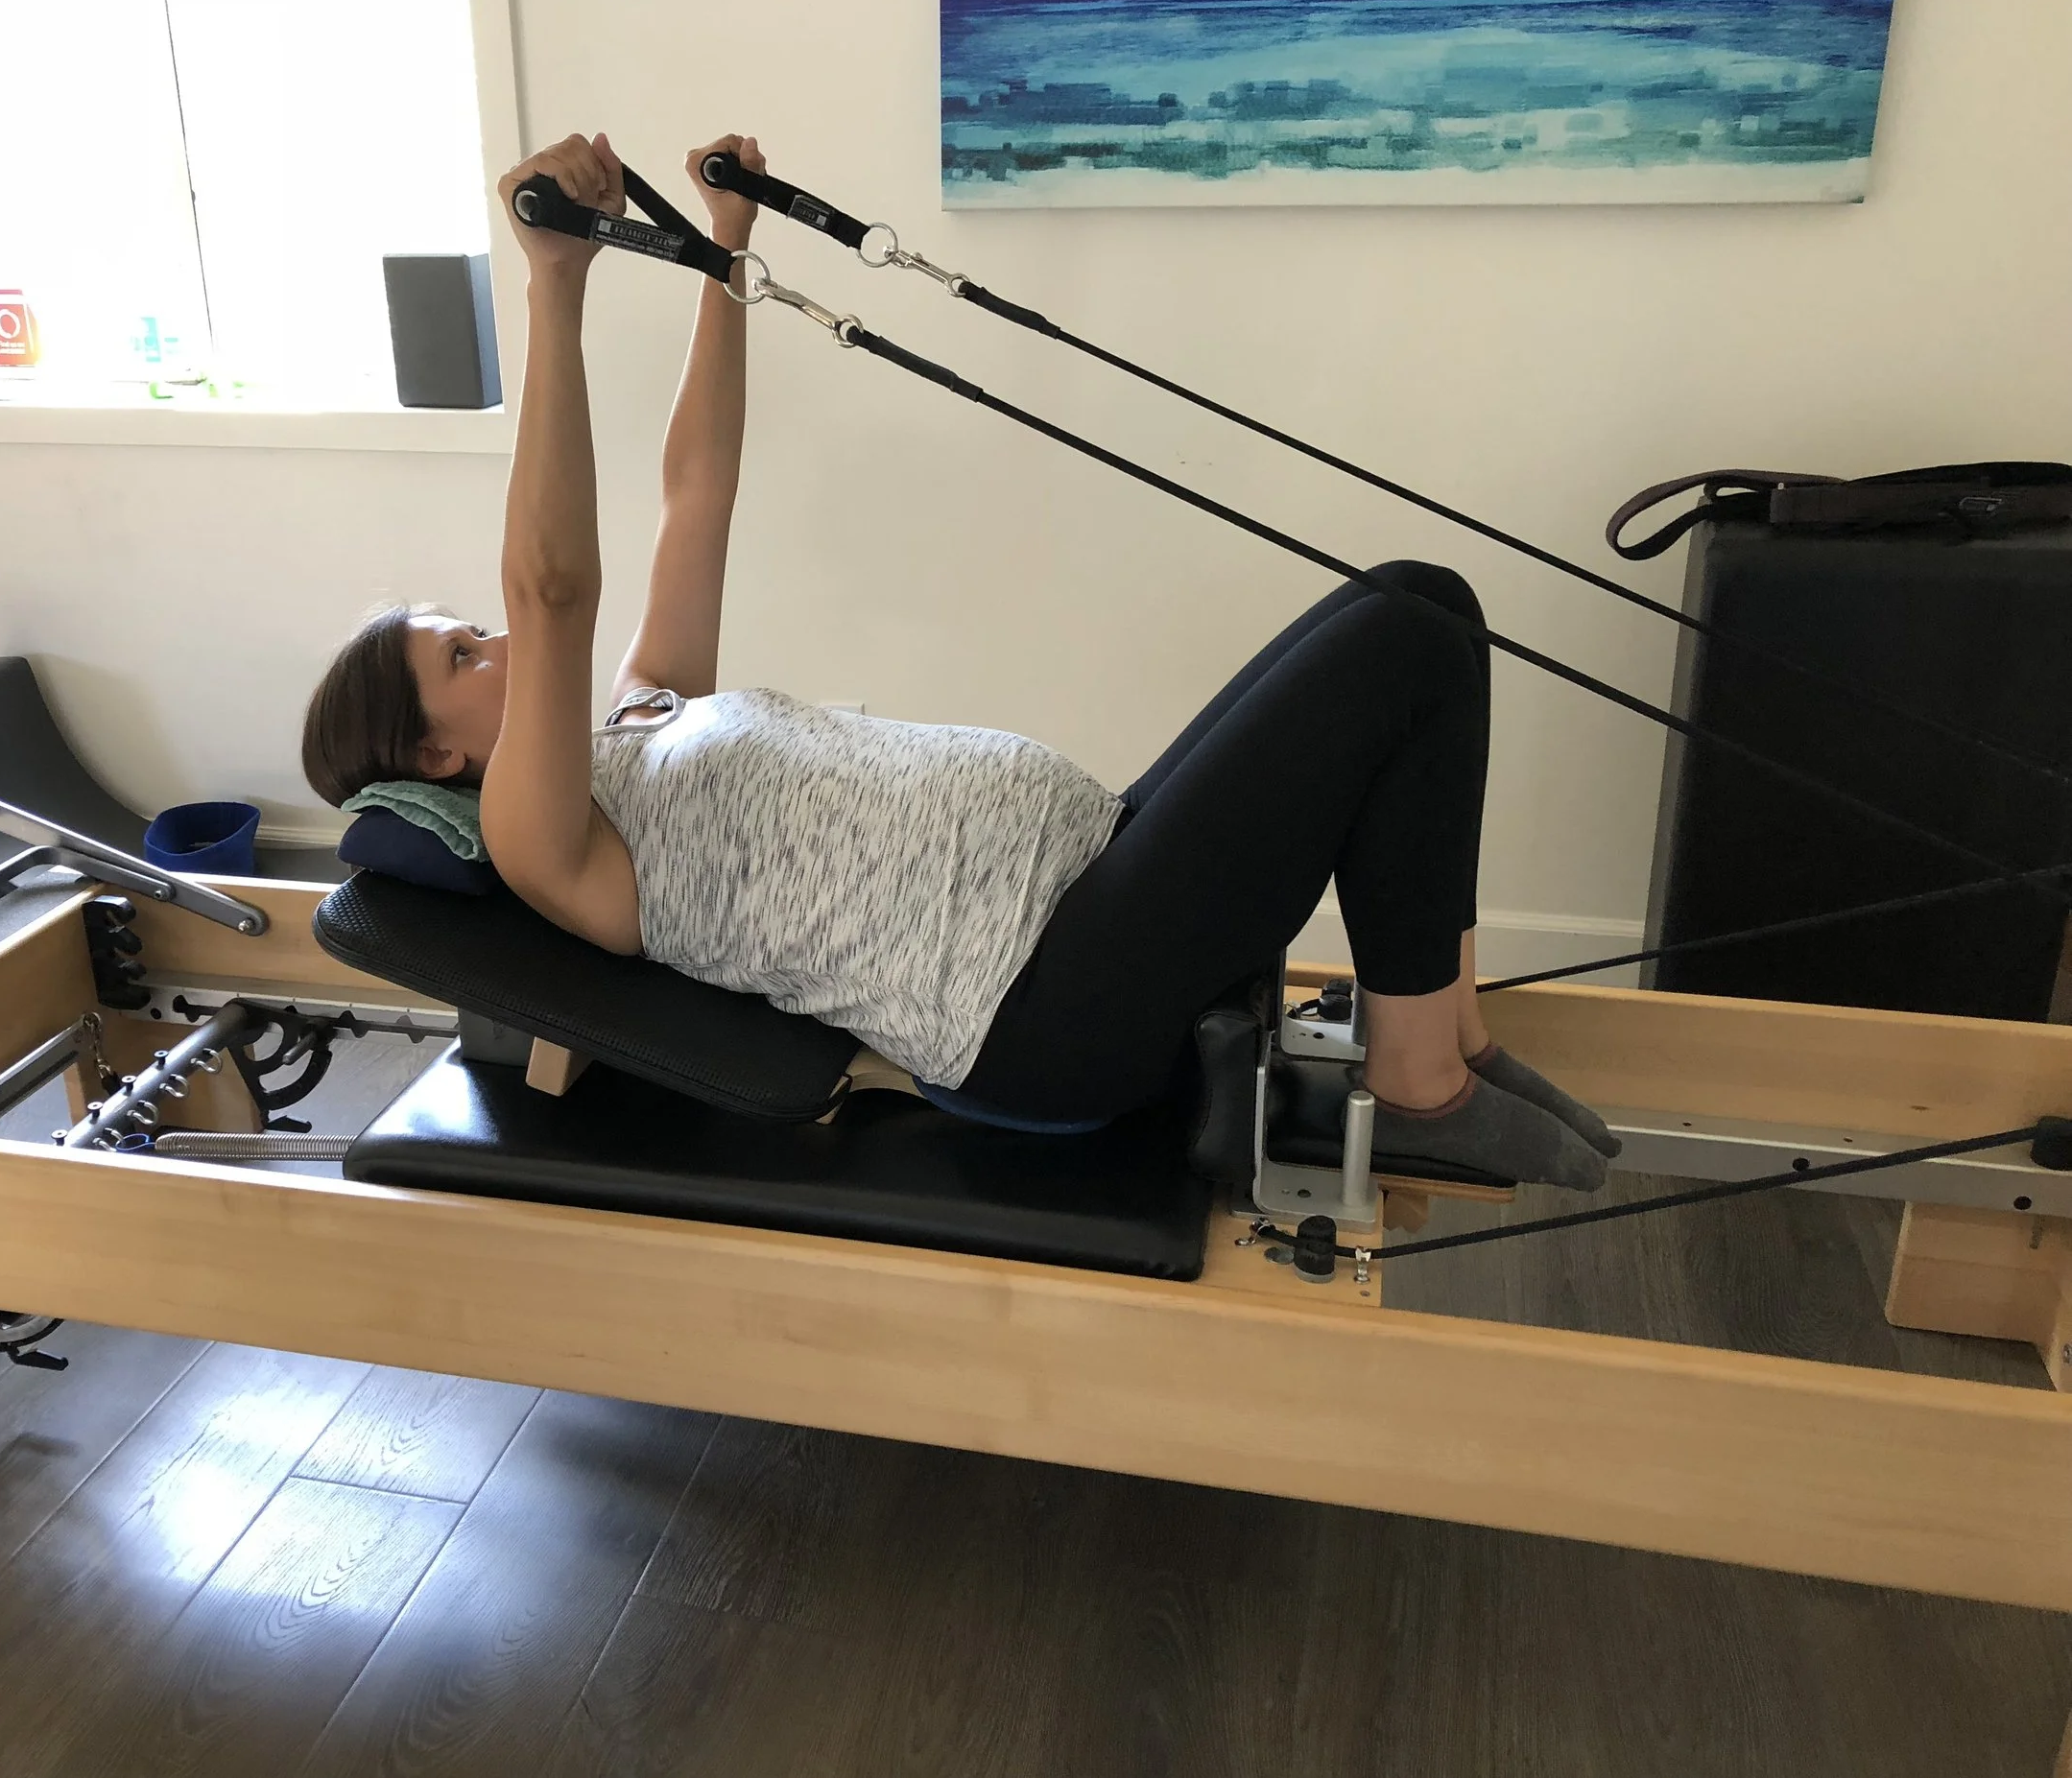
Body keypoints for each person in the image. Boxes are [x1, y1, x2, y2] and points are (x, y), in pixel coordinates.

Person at [302, 131, 1616, 1190]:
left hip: (1087, 872)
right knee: (1400, 651)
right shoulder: (547, 845)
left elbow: (695, 492)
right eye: (464, 651)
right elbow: (555, 580)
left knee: (1418, 603)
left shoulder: (644, 715)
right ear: (437, 756)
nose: (501, 629)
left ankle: (1452, 1038)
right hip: (1039, 1010)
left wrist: (724, 251)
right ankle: (1422, 1088)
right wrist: (553, 281)